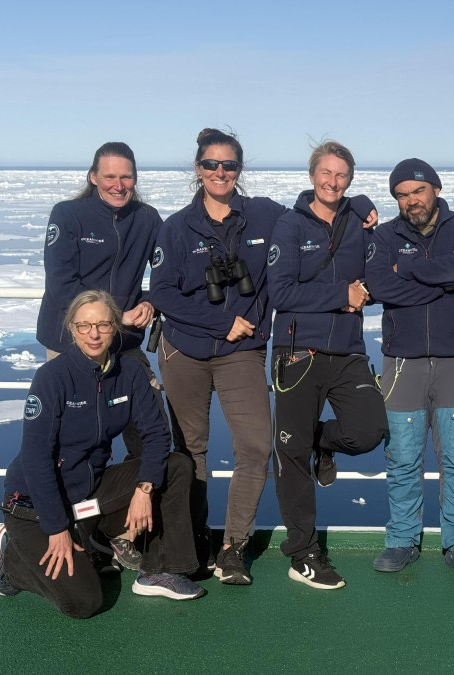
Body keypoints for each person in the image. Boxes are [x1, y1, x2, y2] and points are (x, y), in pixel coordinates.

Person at [0, 290, 204, 617]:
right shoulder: (53, 377)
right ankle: (11, 564)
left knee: (176, 466)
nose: (94, 334)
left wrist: (144, 488)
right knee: (84, 602)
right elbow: (35, 459)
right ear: (71, 328)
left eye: (103, 324)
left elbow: (157, 434)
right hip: (35, 506)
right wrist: (56, 528)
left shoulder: (128, 373)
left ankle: (160, 571)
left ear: (115, 327)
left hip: (88, 494)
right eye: (84, 325)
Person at [150, 128, 286, 585]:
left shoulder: (264, 215)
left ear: (239, 170)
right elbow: (163, 292)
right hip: (183, 349)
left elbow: (312, 215)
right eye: (211, 164)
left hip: (240, 352)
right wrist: (219, 321)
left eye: (229, 165)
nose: (220, 172)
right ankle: (194, 541)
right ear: (198, 169)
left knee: (255, 445)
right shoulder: (175, 227)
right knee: (190, 451)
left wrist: (359, 206)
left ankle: (232, 546)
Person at [267, 140, 387, 590]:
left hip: (348, 350)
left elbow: (376, 272)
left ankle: (322, 440)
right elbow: (280, 292)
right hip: (298, 352)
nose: (333, 182)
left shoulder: (359, 222)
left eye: (342, 176)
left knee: (368, 430)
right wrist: (342, 295)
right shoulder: (290, 225)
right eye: (326, 173)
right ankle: (302, 553)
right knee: (291, 452)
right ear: (312, 174)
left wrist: (366, 207)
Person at [365, 159, 454, 577]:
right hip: (402, 361)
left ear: (435, 189)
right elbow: (381, 286)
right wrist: (443, 285)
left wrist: (408, 271)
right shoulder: (385, 236)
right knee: (402, 459)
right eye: (401, 195)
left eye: (417, 191)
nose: (410, 200)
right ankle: (402, 539)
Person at [36, 141, 166, 455]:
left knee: (152, 432)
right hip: (70, 341)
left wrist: (150, 302)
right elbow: (61, 282)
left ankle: (146, 483)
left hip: (123, 345)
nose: (118, 186)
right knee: (73, 440)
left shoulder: (147, 219)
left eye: (126, 177)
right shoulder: (69, 215)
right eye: (109, 177)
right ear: (93, 177)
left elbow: (169, 273)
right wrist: (115, 316)